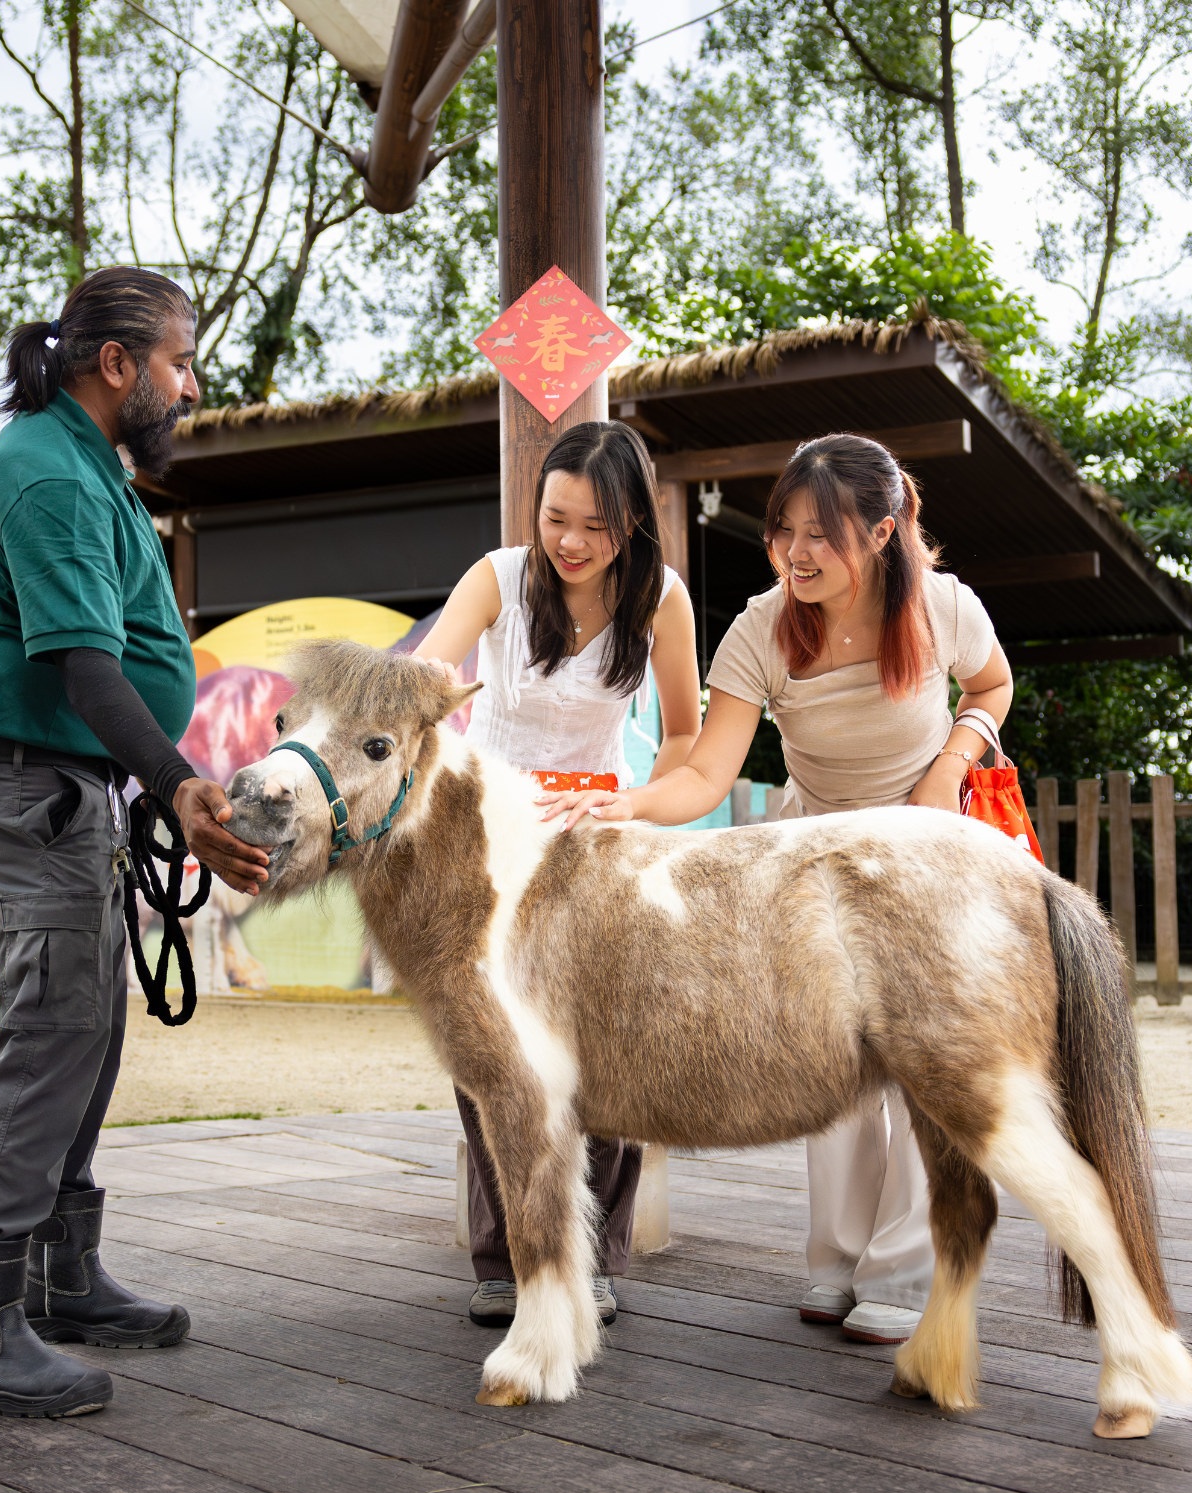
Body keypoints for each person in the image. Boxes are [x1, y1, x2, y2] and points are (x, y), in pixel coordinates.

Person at [539, 433, 1013, 1347]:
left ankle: (904, 1275)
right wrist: (626, 805)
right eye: (783, 531)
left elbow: (991, 685)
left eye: (821, 535)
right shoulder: (761, 627)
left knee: (925, 1069)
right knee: (832, 1061)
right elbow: (709, 771)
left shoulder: (943, 606)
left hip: (923, 851)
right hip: (820, 855)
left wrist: (952, 764)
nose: (796, 553)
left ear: (881, 533)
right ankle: (837, 1264)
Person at [0, 267, 271, 1419]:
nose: (191, 380)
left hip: (73, 788)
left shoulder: (88, 467)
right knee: (52, 1028)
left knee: (92, 1026)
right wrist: (177, 786)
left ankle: (60, 1281)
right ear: (116, 364)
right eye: (178, 359)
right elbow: (85, 665)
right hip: (36, 787)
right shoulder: (46, 474)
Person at [414, 419, 700, 1330]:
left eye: (597, 525)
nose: (571, 542)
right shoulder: (498, 578)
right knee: (485, 1046)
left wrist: (640, 807)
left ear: (634, 524)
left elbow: (689, 737)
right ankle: (502, 1255)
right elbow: (429, 667)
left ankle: (593, 1254)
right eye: (556, 517)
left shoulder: (663, 601)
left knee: (606, 1045)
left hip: (596, 844)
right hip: (487, 841)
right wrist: (415, 698)